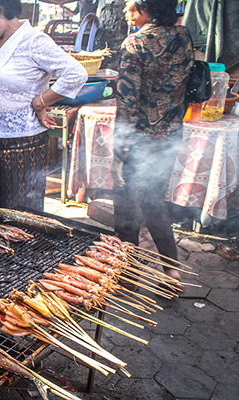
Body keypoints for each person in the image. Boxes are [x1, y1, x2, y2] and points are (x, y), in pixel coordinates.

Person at [0, 0, 87, 213]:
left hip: (20, 144)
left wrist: (41, 101)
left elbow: (76, 74)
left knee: (20, 213)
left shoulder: (34, 41)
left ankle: (25, 248)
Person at [111, 0, 193, 285]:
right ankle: (172, 271)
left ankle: (127, 273)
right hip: (170, 133)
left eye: (130, 5)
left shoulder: (136, 42)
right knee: (155, 201)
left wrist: (119, 152)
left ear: (147, 9)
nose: (125, 9)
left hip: (140, 138)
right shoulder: (183, 36)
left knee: (126, 204)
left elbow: (127, 101)